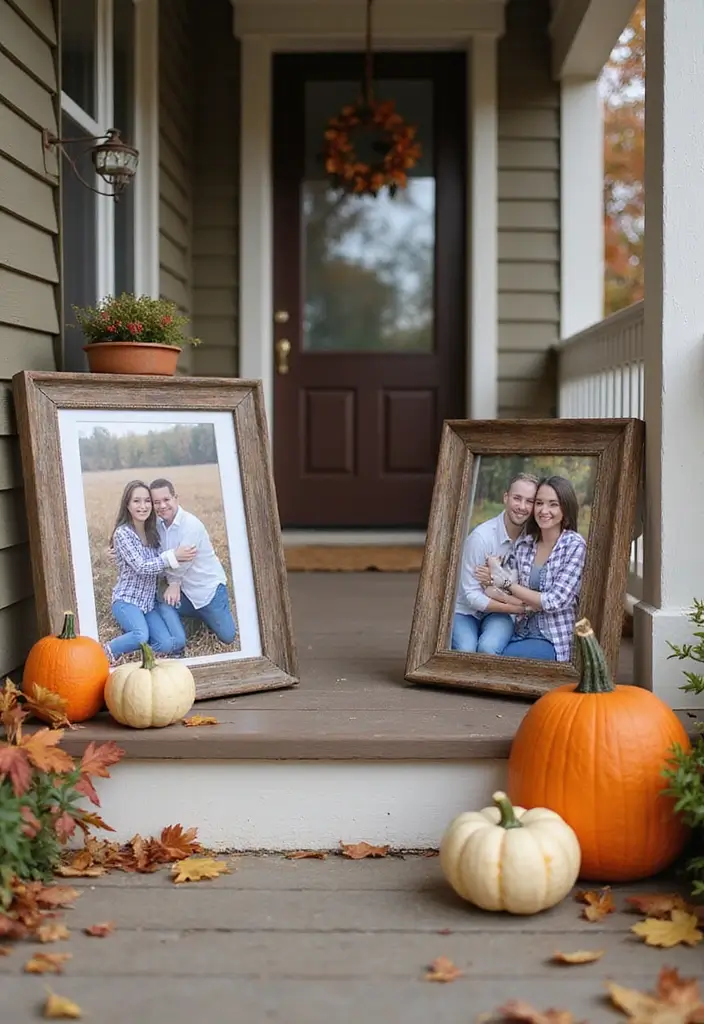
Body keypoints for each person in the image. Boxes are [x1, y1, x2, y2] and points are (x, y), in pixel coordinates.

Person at [476, 475, 587, 662]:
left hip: (552, 639)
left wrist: (506, 583)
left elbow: (554, 601)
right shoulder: (525, 544)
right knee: (483, 647)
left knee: (491, 657)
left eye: (553, 504)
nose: (544, 510)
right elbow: (497, 587)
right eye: (539, 503)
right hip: (520, 630)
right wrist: (492, 576)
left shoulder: (574, 545)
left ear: (565, 509)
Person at [106, 480, 197, 663]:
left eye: (147, 501)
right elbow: (142, 567)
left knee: (166, 644)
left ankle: (141, 654)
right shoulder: (123, 533)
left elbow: (160, 567)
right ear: (127, 505)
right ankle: (105, 651)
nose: (143, 506)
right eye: (136, 501)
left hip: (148, 604)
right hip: (127, 601)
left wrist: (176, 578)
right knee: (140, 635)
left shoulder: (153, 532)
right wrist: (173, 556)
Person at [451, 473, 539, 654]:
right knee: (466, 650)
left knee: (488, 648)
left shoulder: (533, 540)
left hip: (499, 613)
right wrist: (517, 608)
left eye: (529, 501)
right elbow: (471, 596)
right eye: (517, 498)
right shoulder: (481, 538)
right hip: (465, 611)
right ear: (506, 497)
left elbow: (526, 587)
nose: (522, 507)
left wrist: (492, 580)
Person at [149, 478, 239, 647]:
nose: (162, 506)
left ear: (176, 498)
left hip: (206, 590)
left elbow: (185, 560)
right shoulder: (158, 525)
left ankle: (211, 611)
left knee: (227, 636)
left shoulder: (191, 525)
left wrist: (174, 583)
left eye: (166, 500)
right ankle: (192, 617)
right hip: (183, 592)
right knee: (160, 602)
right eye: (156, 502)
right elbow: (147, 544)